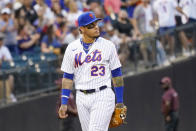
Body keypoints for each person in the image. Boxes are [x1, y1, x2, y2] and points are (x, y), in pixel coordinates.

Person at [58, 11, 126, 131]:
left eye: (96, 24)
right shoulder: (71, 48)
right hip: (81, 97)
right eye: (91, 26)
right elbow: (68, 77)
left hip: (103, 94)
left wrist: (119, 101)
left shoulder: (108, 46)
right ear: (82, 29)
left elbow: (117, 74)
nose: (96, 28)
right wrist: (64, 102)